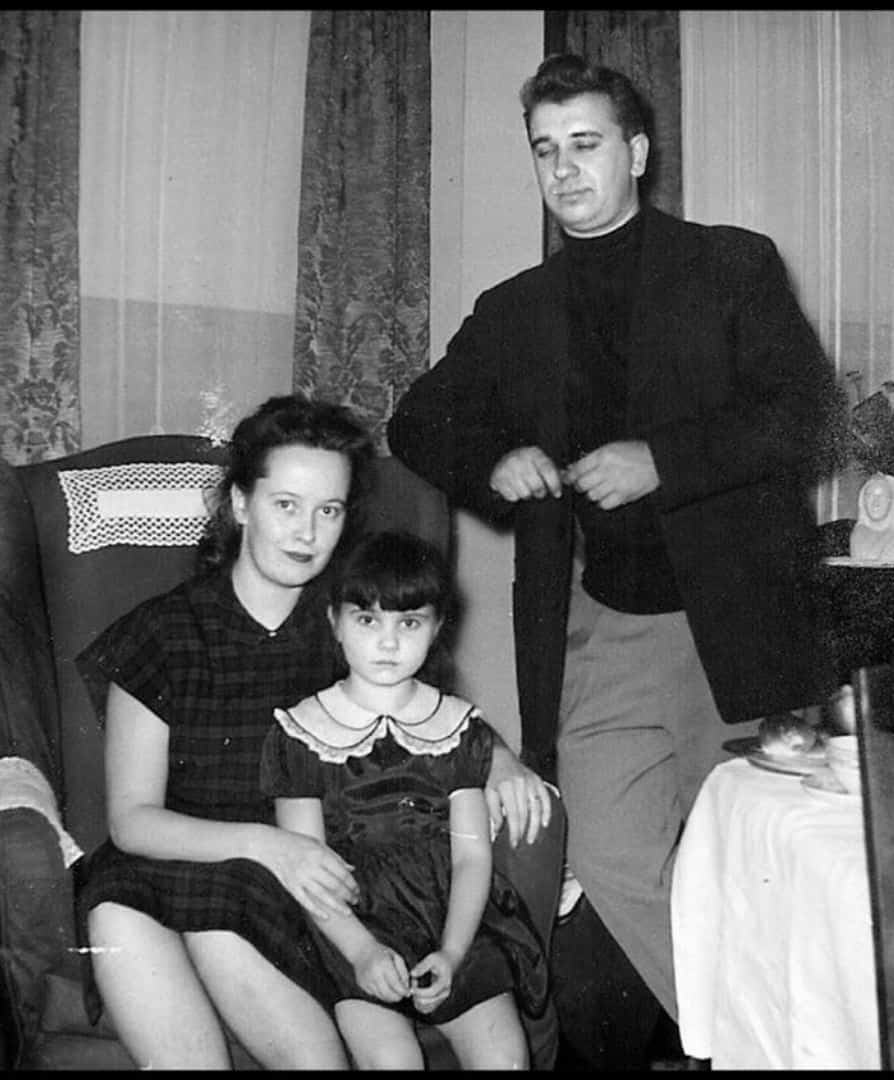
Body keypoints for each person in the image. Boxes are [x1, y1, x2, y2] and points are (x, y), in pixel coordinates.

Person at [386, 53, 840, 1023]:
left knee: (762, 861)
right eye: (545, 151)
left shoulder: (731, 265)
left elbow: (799, 412)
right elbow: (417, 421)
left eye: (584, 144)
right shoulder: (516, 312)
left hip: (736, 621)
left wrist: (662, 459)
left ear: (635, 150)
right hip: (603, 628)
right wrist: (494, 459)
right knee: (610, 854)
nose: (564, 170)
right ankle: (756, 1040)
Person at [73, 394, 557, 1069]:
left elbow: (432, 716)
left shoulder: (348, 625)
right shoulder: (161, 633)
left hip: (289, 886)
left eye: (328, 510)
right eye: (286, 505)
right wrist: (270, 846)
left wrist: (498, 759)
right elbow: (131, 822)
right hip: (176, 859)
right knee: (117, 915)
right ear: (241, 504)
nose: (307, 532)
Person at [262, 530, 547, 1068]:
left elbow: (471, 856)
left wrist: (454, 952)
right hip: (349, 923)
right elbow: (307, 870)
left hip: (451, 916)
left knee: (506, 1059)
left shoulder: (459, 728)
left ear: (438, 628)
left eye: (409, 623)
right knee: (395, 1064)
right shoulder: (300, 732)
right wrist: (363, 952)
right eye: (367, 620)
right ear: (335, 624)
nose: (388, 643)